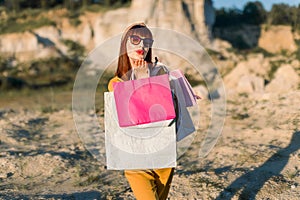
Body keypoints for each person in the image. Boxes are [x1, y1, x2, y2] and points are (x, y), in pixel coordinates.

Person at [107, 22, 174, 200]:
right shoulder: (116, 82)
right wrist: (141, 77)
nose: (142, 45)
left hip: (163, 155)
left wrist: (183, 94)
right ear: (124, 44)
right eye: (135, 39)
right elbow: (135, 110)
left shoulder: (160, 73)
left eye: (147, 41)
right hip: (136, 159)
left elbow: (166, 107)